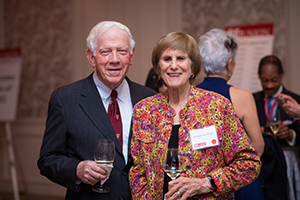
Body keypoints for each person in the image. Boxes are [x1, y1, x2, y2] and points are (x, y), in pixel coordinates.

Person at [129, 32, 261, 199]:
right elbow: (137, 172)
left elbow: (249, 163)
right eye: (167, 59)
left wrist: (207, 183)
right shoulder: (144, 111)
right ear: (158, 68)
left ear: (192, 67)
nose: (174, 66)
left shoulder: (217, 106)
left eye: (181, 59)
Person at [37, 21, 156, 200]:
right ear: (91, 57)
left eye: (122, 51)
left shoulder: (150, 99)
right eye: (105, 52)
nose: (114, 59)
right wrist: (76, 169)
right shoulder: (65, 99)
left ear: (131, 56)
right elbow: (48, 159)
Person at [196, 28, 265, 200]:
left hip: (202, 182)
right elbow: (258, 145)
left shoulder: (190, 96)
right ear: (230, 63)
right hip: (239, 184)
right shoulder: (242, 97)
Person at [253, 55, 300, 200]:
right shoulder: (251, 100)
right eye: (264, 80)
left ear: (282, 75)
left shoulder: (296, 100)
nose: (269, 86)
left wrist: (291, 134)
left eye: (273, 80)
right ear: (259, 76)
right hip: (261, 164)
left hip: (289, 162)